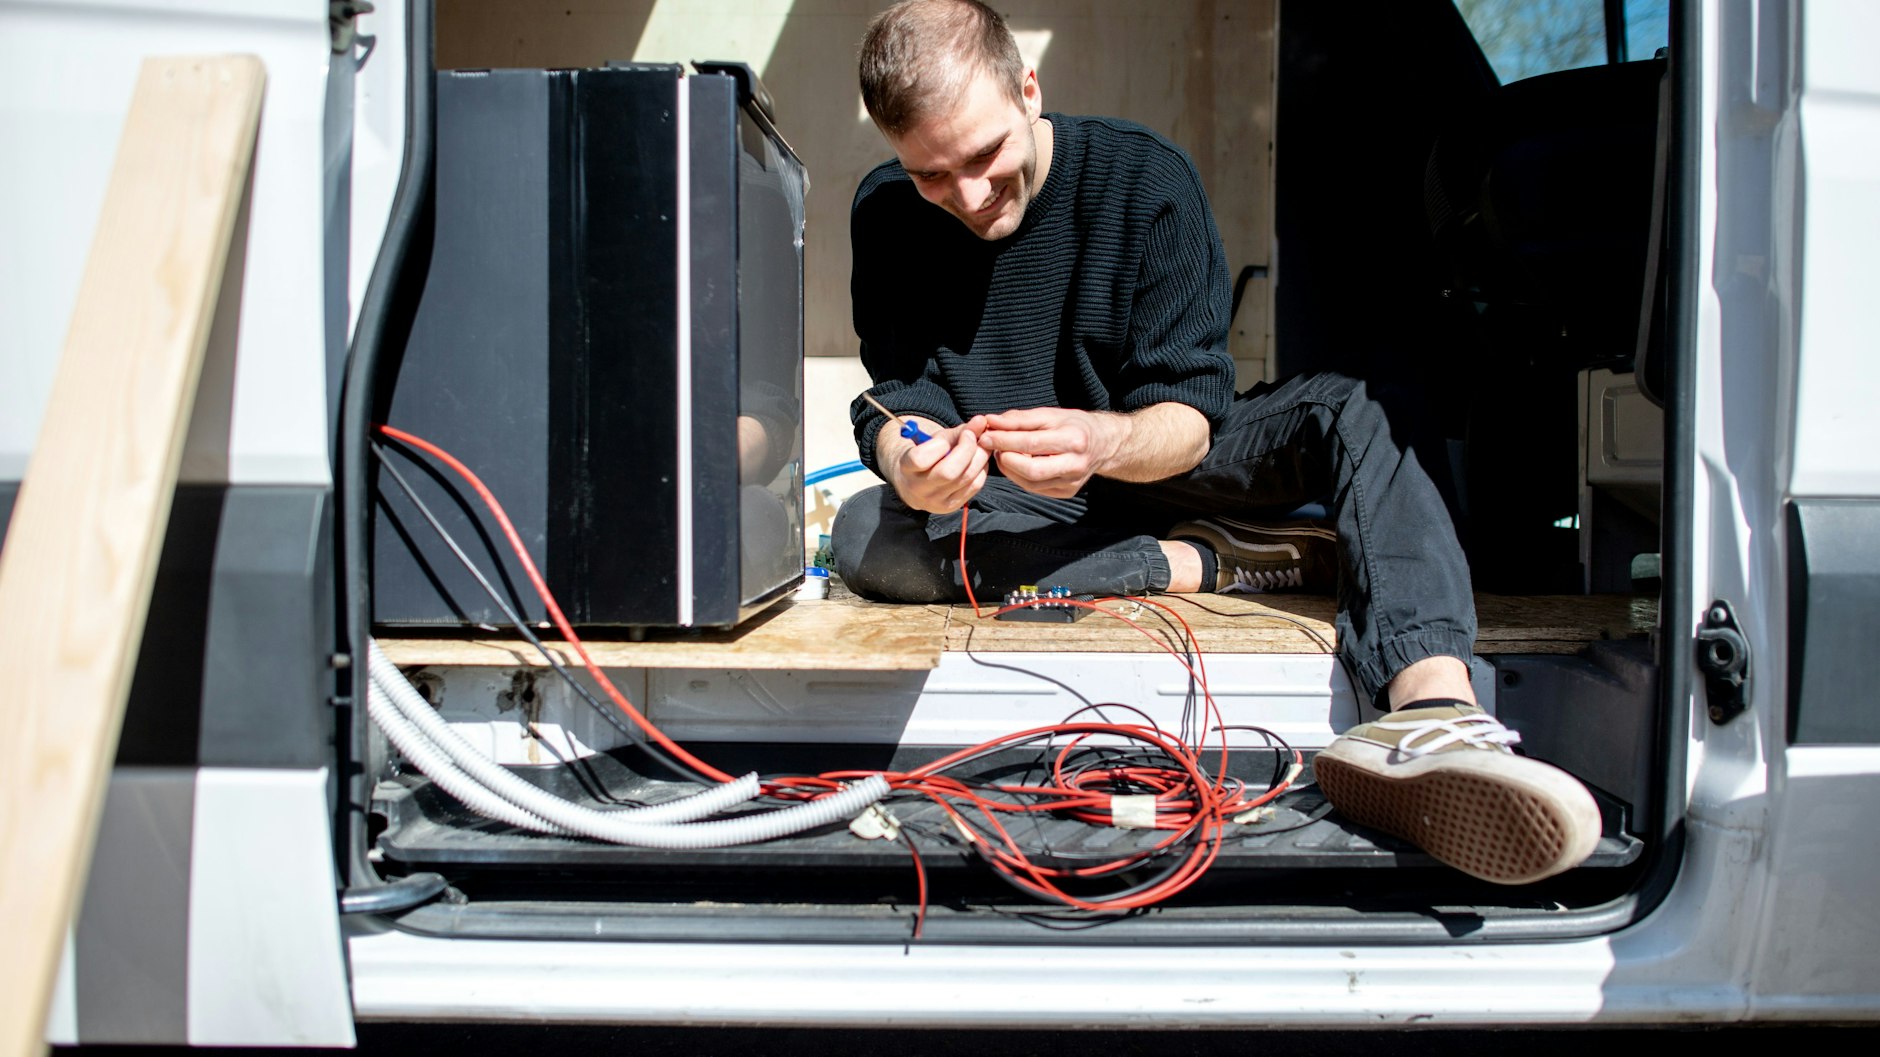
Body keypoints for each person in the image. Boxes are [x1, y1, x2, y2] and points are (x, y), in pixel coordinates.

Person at [831, 0, 1598, 885]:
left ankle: (1431, 718)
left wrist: (1103, 437)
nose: (967, 196)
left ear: (1029, 91)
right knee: (867, 538)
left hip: (1167, 457)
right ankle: (1206, 564)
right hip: (1028, 498)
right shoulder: (885, 214)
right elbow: (897, 403)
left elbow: (1189, 417)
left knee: (1363, 410)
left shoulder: (1144, 179)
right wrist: (911, 462)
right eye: (932, 175)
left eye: (983, 156)